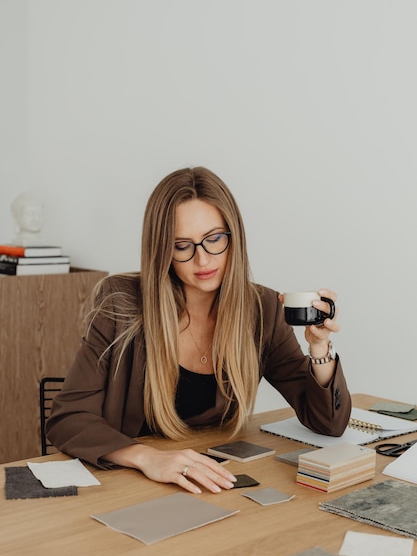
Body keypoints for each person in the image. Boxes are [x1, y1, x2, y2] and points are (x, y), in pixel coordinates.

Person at [46, 166, 351, 494]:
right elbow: (67, 418)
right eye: (182, 245)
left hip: (213, 481)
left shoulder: (262, 309)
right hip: (131, 482)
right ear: (162, 250)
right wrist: (146, 458)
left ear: (233, 237)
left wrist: (319, 347)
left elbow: (328, 424)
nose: (203, 260)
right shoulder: (121, 302)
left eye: (214, 239)